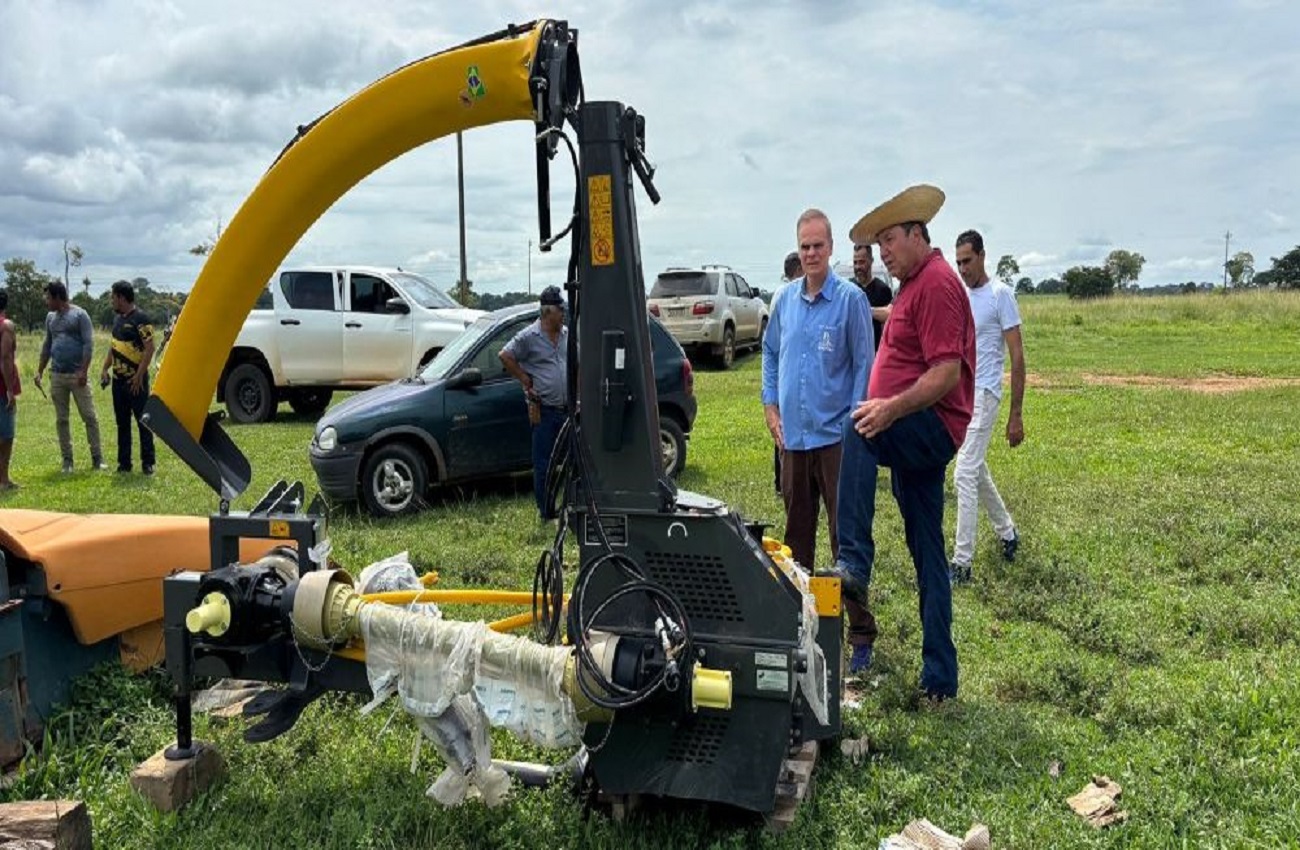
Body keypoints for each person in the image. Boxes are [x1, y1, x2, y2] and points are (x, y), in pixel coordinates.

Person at [834, 184, 975, 702]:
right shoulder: (913, 286)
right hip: (919, 430)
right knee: (929, 553)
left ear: (918, 234)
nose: (883, 252)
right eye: (878, 243)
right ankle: (940, 679)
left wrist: (888, 408)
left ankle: (854, 562)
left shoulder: (937, 282)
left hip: (930, 424)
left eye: (889, 240)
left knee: (858, 427)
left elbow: (945, 375)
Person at [762, 209, 876, 670]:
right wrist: (771, 406)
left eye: (818, 246)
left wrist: (852, 426)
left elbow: (864, 367)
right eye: (804, 246)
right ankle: (801, 630)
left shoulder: (849, 301)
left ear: (831, 249)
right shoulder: (785, 301)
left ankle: (861, 637)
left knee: (843, 542)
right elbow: (770, 354)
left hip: (835, 441)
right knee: (796, 540)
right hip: (794, 441)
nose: (811, 254)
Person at [948, 230, 1025, 583]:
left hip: (987, 392)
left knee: (962, 471)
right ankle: (1007, 532)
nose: (962, 268)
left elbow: (1018, 357)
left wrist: (1016, 414)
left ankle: (962, 564)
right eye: (958, 262)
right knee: (975, 470)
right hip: (962, 393)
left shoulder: (1001, 295)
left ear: (981, 256)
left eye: (967, 260)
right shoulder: (961, 295)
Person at [500, 285, 568, 520]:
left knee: (573, 462)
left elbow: (576, 363)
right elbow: (505, 355)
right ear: (548, 312)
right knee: (544, 464)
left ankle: (571, 507)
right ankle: (546, 511)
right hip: (545, 410)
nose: (563, 313)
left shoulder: (567, 335)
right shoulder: (529, 337)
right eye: (560, 309)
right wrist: (523, 378)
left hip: (568, 411)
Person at [35, 282, 105, 472]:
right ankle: (67, 460)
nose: (46, 301)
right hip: (57, 376)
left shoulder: (80, 315)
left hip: (77, 376)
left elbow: (88, 345)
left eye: (48, 297)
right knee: (62, 420)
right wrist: (40, 370)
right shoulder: (50, 318)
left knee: (89, 417)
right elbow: (47, 345)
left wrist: (83, 371)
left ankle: (97, 458)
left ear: (58, 297)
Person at [99, 281, 157, 475]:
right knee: (122, 423)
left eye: (113, 297)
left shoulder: (141, 319)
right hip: (118, 382)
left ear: (122, 298)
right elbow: (114, 347)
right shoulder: (117, 320)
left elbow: (150, 349)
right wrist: (105, 369)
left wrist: (139, 376)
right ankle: (124, 464)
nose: (111, 301)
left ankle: (148, 462)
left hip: (136, 382)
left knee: (143, 422)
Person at [770, 251, 804, 495]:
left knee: (782, 432)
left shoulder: (778, 294)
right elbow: (772, 345)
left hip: (787, 377)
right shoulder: (786, 296)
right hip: (788, 374)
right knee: (784, 432)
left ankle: (782, 482)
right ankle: (785, 482)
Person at [851, 241, 894, 351]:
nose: (858, 267)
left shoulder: (883, 290)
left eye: (861, 262)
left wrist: (864, 309)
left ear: (871, 261)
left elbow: (889, 324)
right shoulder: (848, 289)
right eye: (855, 262)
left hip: (875, 354)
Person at [0, 291, 20, 490]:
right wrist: (9, 389)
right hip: (0, 386)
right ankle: (3, 479)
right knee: (6, 433)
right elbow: (5, 357)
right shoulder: (6, 325)